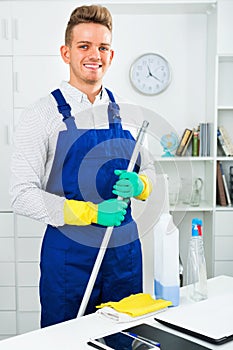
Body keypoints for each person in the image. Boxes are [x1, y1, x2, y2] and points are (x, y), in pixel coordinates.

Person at [9, 4, 152, 328]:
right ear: (66, 52)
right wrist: (90, 213)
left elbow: (151, 171)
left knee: (125, 337)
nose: (94, 55)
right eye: (84, 45)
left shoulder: (125, 114)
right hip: (69, 260)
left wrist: (142, 186)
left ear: (111, 55)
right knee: (66, 340)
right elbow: (20, 195)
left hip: (123, 256)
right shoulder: (42, 114)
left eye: (102, 47)